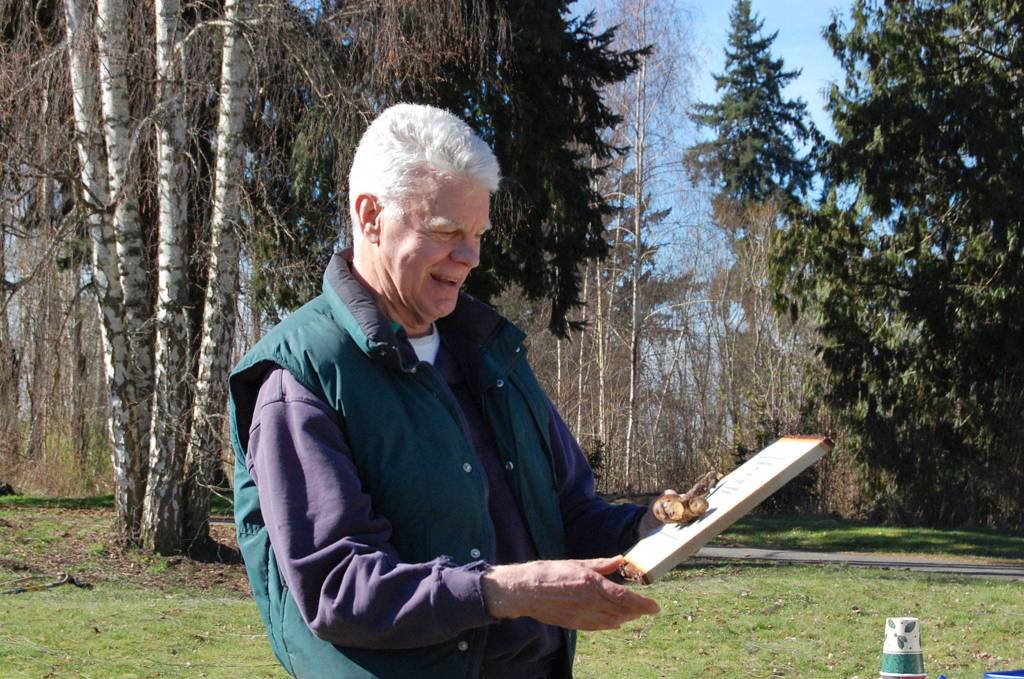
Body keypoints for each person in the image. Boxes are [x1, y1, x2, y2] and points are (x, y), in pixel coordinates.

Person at [229, 103, 672, 679]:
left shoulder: (493, 356)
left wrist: (652, 529)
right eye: (445, 233)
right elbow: (338, 587)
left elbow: (568, 513)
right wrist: (503, 591)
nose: (471, 258)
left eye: (479, 234)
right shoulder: (304, 377)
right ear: (370, 216)